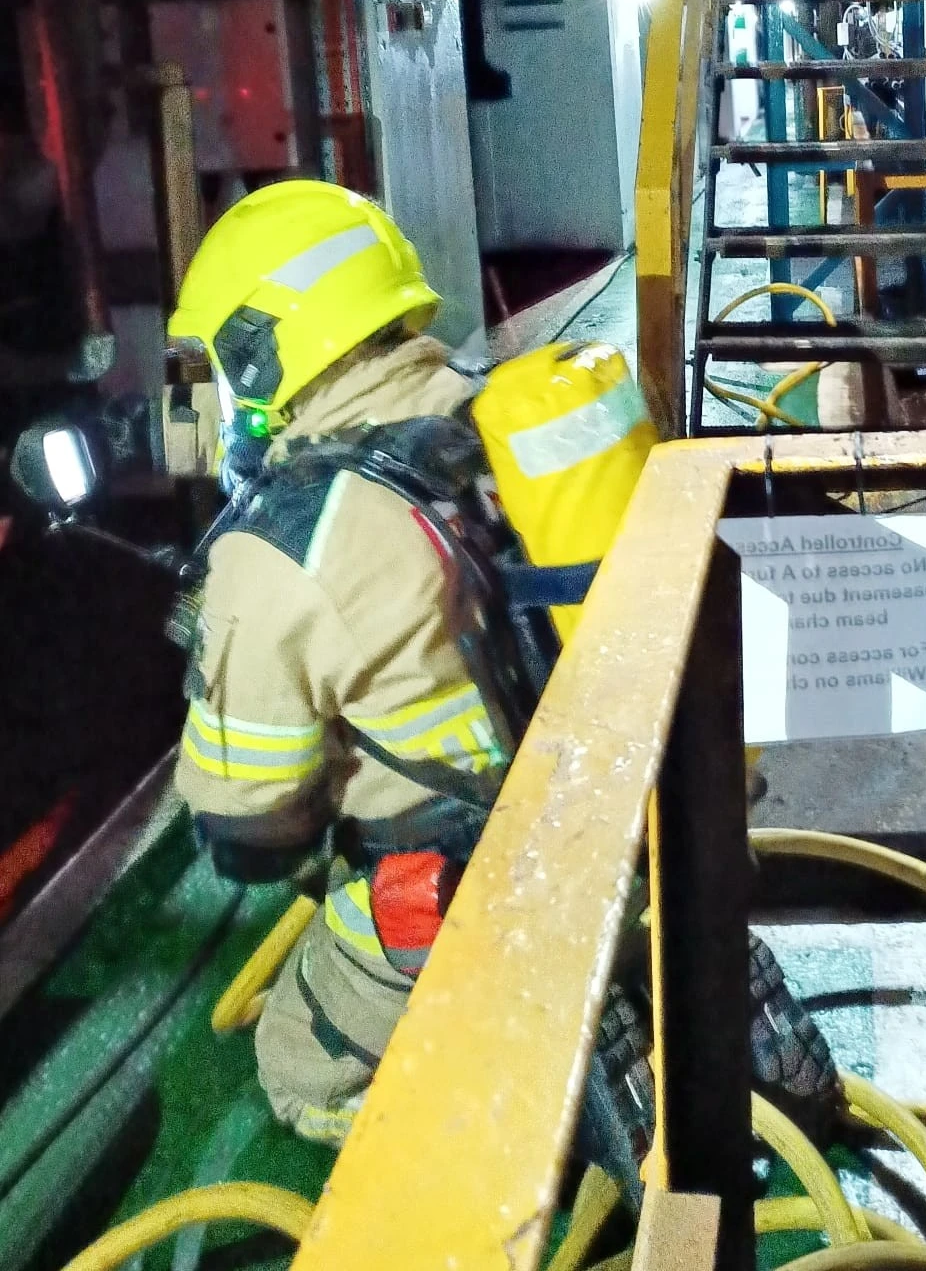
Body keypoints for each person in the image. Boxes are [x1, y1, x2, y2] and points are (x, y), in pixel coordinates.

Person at [167, 181, 832, 1148]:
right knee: (616, 889)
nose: (210, 396)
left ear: (259, 352)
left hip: (471, 889)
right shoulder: (511, 418)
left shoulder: (278, 548)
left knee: (297, 1062)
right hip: (650, 823)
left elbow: (250, 822)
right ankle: (662, 956)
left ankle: (537, 1070)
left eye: (214, 364)